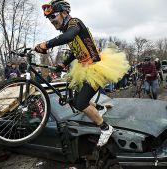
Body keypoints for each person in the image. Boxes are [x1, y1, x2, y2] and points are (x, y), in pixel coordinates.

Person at [35, 0, 129, 147]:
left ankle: (105, 128)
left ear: (64, 13)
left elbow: (68, 37)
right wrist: (64, 63)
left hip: (97, 68)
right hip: (85, 68)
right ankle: (99, 108)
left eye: (53, 16)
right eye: (49, 18)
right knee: (74, 99)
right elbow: (75, 50)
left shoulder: (74, 23)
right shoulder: (67, 30)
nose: (51, 21)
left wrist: (46, 44)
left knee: (81, 103)